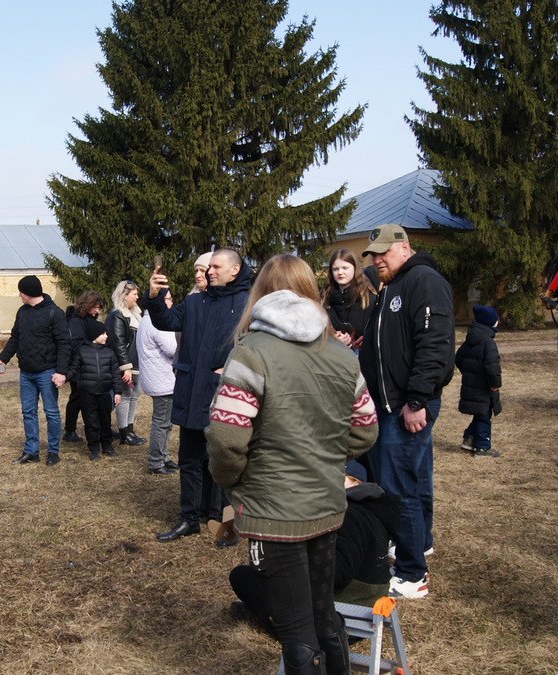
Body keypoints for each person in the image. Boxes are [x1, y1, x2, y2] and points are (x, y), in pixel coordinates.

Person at [207, 253, 379, 675]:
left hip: (274, 510)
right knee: (323, 614)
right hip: (325, 503)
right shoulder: (341, 355)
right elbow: (365, 429)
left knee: (298, 631)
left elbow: (227, 439)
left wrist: (231, 480)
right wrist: (324, 457)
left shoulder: (250, 354)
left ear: (260, 295)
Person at [358, 223, 454, 600]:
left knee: (398, 487)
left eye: (384, 252)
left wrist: (417, 401)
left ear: (405, 247)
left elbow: (435, 345)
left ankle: (413, 573)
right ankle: (420, 542)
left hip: (406, 405)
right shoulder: (392, 286)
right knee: (415, 478)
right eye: (373, 255)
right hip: (393, 403)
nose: (377, 260)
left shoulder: (423, 281)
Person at [146, 248, 251, 543]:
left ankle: (223, 520)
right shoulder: (195, 302)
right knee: (190, 459)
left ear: (235, 270)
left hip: (225, 395)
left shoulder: (248, 304)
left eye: (216, 267)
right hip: (193, 392)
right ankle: (190, 518)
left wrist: (234, 365)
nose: (209, 272)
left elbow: (258, 346)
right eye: (208, 268)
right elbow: (166, 321)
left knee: (224, 461)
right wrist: (154, 297)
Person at [228, 461, 401, 632]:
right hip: (367, 608)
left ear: (356, 482)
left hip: (344, 615)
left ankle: (278, 624)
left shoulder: (349, 515)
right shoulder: (370, 510)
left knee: (243, 577)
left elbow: (337, 574)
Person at [0, 275, 71, 466]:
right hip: (26, 372)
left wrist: (61, 372)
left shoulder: (54, 313)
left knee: (51, 412)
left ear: (29, 293)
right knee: (28, 412)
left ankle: (53, 451)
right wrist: (2, 359)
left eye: (21, 292)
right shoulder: (22, 312)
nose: (19, 295)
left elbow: (64, 344)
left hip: (47, 372)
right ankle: (31, 451)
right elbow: (15, 338)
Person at [136, 288, 179, 475]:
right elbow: (172, 348)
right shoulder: (156, 322)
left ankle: (164, 456)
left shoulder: (147, 320)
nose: (171, 302)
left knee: (165, 422)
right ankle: (156, 462)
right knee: (161, 423)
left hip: (158, 378)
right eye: (168, 299)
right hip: (162, 380)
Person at [67, 318, 124, 461]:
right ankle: (93, 448)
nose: (106, 336)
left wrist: (117, 392)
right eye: (103, 333)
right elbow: (73, 369)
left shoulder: (109, 352)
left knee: (105, 421)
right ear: (94, 335)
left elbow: (115, 374)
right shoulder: (81, 351)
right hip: (87, 394)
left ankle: (107, 445)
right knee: (91, 422)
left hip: (104, 393)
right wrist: (63, 377)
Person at [456, 304, 502, 459]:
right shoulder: (488, 343)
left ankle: (469, 439)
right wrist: (495, 385)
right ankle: (482, 447)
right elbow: (492, 367)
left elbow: (458, 358)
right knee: (484, 416)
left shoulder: (470, 340)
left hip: (472, 386)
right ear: (490, 323)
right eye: (496, 319)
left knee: (480, 413)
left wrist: (469, 374)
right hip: (484, 388)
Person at [63, 291, 105, 444]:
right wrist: (92, 343)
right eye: (95, 307)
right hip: (78, 365)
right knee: (77, 398)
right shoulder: (75, 321)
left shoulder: (85, 319)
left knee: (80, 398)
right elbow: (76, 344)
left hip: (85, 364)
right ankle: (70, 430)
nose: (97, 311)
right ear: (87, 305)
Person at [107, 280, 146, 446]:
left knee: (133, 396)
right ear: (124, 296)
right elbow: (118, 343)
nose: (137, 297)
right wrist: (125, 367)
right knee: (124, 396)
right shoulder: (118, 315)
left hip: (137, 364)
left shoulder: (135, 314)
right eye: (134, 294)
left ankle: (130, 430)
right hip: (126, 365)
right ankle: (124, 433)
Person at [324, 248, 376, 351]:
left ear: (355, 268)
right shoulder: (324, 298)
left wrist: (367, 339)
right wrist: (332, 339)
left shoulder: (368, 297)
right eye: (335, 269)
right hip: (334, 354)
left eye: (345, 268)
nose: (340, 272)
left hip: (363, 354)